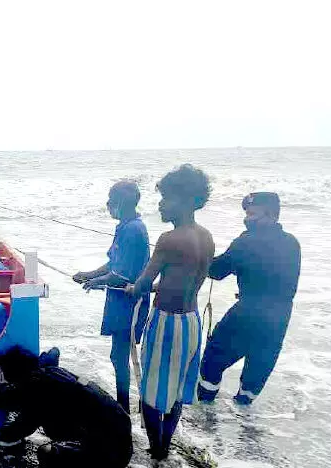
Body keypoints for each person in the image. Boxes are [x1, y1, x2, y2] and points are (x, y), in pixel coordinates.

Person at [125, 164, 214, 464]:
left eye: (167, 198)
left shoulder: (168, 239)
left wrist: (132, 288)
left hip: (166, 323)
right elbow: (180, 278)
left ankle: (157, 450)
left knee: (151, 391)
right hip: (191, 322)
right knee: (176, 388)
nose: (161, 204)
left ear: (188, 200)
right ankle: (166, 444)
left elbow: (142, 285)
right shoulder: (206, 236)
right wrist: (149, 287)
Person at [198, 192, 301, 405]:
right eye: (246, 213)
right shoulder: (292, 243)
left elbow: (216, 271)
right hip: (279, 318)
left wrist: (198, 256)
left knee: (212, 360)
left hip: (248, 312)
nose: (247, 218)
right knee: (256, 372)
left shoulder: (247, 241)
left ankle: (205, 413)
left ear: (270, 214)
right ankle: (244, 427)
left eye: (252, 213)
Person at [0, 346, 133, 468]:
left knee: (46, 452)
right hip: (121, 437)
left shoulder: (36, 388)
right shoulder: (50, 372)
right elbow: (54, 351)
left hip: (112, 454)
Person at [73, 180, 150, 413]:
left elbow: (121, 274)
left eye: (110, 200)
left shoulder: (133, 229)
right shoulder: (125, 226)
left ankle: (123, 407)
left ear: (121, 202)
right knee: (117, 355)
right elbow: (112, 263)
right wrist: (89, 274)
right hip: (118, 300)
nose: (107, 205)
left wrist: (95, 282)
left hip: (128, 301)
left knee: (120, 356)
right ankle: (123, 404)